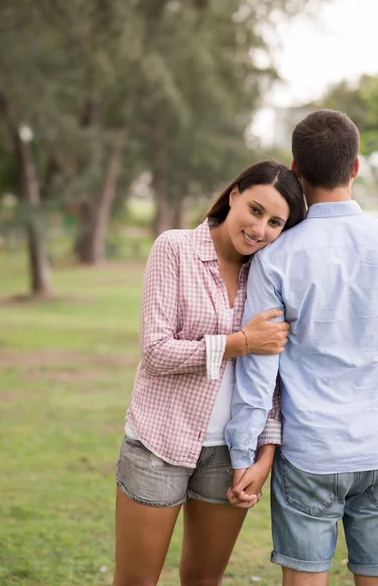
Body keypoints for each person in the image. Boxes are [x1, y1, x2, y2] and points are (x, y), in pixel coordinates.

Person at [112, 160, 306, 586]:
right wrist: (240, 342)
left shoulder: (269, 272)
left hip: (229, 455)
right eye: (255, 210)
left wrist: (265, 453)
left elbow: (272, 374)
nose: (260, 229)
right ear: (234, 195)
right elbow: (156, 351)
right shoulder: (174, 248)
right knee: (135, 581)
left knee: (204, 580)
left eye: (276, 222)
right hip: (158, 445)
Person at [226, 110, 378, 586]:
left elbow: (259, 368)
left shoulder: (276, 257)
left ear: (295, 168)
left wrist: (243, 456)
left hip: (310, 454)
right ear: (356, 167)